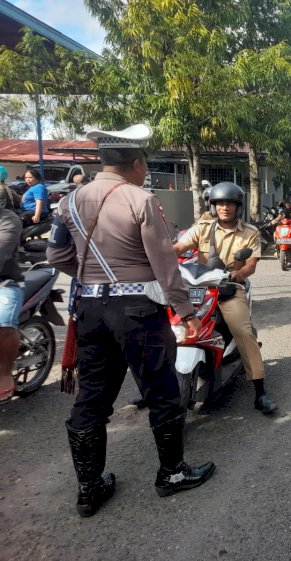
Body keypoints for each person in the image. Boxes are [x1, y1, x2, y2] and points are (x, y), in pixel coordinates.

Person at [46, 124, 215, 517]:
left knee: (92, 398)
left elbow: (57, 258)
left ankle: (89, 489)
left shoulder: (69, 201)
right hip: (138, 312)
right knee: (162, 392)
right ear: (137, 163)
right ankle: (171, 474)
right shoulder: (141, 199)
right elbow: (165, 264)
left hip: (89, 310)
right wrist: (185, 312)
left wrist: (91, 279)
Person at [173, 182, 276, 414]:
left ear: (238, 207)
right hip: (199, 287)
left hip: (229, 288)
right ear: (213, 206)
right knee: (166, 323)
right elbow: (179, 247)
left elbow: (251, 264)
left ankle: (260, 391)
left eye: (230, 203)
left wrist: (237, 274)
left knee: (243, 331)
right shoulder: (202, 227)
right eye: (220, 203)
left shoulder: (250, 232)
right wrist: (161, 259)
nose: (225, 207)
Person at [0, 207, 23, 403]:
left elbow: (2, 252)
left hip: (5, 283)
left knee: (3, 322)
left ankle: (5, 373)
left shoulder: (8, 219)